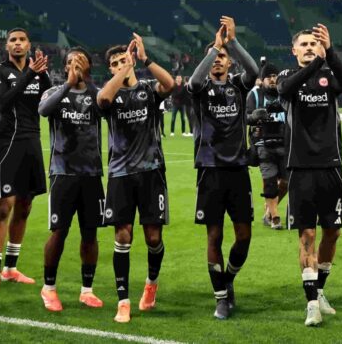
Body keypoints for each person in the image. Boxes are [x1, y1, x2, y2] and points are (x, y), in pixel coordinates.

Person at [277, 25, 342, 327]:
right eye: (304, 44)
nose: (310, 47)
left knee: (332, 232)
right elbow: (285, 91)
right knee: (307, 235)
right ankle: (311, 303)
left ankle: (320, 290)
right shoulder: (287, 78)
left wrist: (330, 52)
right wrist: (317, 62)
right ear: (294, 50)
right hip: (300, 166)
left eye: (314, 43)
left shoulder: (327, 77)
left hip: (331, 165)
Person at [97, 34, 175, 324]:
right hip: (120, 174)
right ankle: (123, 301)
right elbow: (103, 99)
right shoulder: (109, 92)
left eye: (122, 60)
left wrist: (144, 59)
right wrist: (121, 72)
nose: (120, 64)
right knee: (122, 235)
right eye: (114, 63)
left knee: (153, 237)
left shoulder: (147, 90)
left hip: (152, 172)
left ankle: (151, 285)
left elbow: (169, 85)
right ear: (110, 68)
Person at [187, 16, 258, 320]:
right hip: (209, 169)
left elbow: (254, 71)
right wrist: (213, 48)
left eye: (222, 58)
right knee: (214, 236)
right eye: (213, 58)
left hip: (238, 170)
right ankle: (220, 298)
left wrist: (232, 42)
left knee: (244, 236)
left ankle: (227, 280)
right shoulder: (201, 89)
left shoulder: (239, 87)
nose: (218, 61)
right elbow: (192, 83)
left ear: (230, 63)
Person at [37, 48, 104, 311]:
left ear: (87, 66)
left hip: (91, 175)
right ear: (64, 68)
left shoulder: (96, 94)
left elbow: (107, 104)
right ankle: (49, 288)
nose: (74, 66)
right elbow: (43, 110)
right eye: (69, 63)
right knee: (59, 232)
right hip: (62, 173)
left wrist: (86, 80)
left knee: (90, 234)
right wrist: (68, 83)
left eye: (80, 62)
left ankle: (87, 290)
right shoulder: (53, 92)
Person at [0, 29, 51, 292]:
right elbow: (2, 102)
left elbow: (47, 103)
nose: (17, 43)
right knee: (3, 207)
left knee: (24, 206)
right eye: (13, 40)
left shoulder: (37, 71)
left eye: (22, 40)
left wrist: (42, 74)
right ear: (6, 46)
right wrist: (30, 74)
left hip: (32, 142)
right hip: (8, 143)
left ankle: (11, 268)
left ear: (29, 44)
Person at [246, 62, 288, 230]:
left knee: (286, 181)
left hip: (284, 142)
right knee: (270, 182)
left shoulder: (284, 93)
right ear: (262, 80)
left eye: (274, 76)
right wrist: (255, 116)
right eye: (268, 77)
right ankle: (275, 216)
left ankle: (269, 209)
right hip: (263, 144)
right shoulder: (254, 95)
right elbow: (245, 117)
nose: (272, 79)